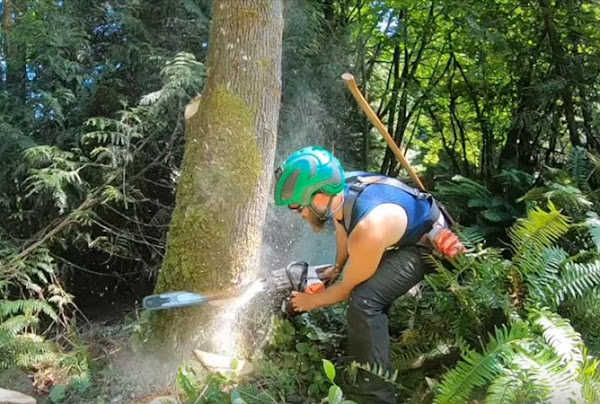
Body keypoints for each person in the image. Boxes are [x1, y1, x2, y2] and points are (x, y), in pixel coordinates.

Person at [273, 146, 463, 403]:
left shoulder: (368, 230)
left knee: (364, 300)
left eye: (299, 208)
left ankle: (376, 395)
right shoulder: (341, 189)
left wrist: (311, 301)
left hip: (430, 244)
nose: (301, 215)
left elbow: (347, 289)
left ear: (319, 197)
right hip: (405, 231)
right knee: (362, 284)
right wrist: (336, 268)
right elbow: (342, 225)